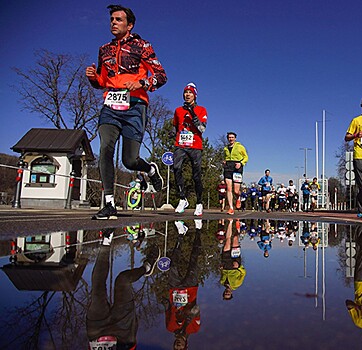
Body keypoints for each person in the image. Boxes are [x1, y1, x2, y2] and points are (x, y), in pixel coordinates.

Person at [86, 5, 167, 219]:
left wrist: (141, 82)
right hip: (110, 106)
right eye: (112, 19)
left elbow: (161, 75)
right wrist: (93, 77)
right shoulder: (104, 50)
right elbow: (102, 81)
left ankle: (150, 170)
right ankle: (109, 204)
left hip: (135, 106)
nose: (113, 22)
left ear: (129, 25)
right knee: (105, 148)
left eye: (118, 20)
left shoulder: (142, 46)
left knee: (130, 161)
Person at [87, 229, 160, 349]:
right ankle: (147, 267)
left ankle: (106, 242)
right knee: (123, 280)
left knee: (97, 290)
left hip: (97, 333)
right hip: (123, 336)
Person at [164, 220, 203, 349]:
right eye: (180, 348)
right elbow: (196, 309)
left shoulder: (170, 328)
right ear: (186, 345)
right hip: (190, 289)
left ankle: (181, 235)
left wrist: (164, 302)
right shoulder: (194, 329)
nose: (178, 345)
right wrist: (186, 324)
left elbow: (168, 309)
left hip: (174, 289)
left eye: (175, 347)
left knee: (173, 264)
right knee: (193, 259)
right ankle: (198, 231)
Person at [171, 83, 208, 216]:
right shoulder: (178, 110)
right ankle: (182, 199)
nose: (187, 95)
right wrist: (172, 133)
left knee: (196, 175)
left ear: (195, 95)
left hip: (195, 146)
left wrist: (192, 112)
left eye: (190, 93)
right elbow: (175, 125)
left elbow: (202, 129)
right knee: (176, 168)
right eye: (185, 92)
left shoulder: (202, 110)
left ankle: (199, 203)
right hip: (180, 144)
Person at [223, 132, 249, 215]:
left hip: (237, 167)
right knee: (228, 188)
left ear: (235, 138)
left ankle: (239, 197)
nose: (231, 139)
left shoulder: (240, 147)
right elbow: (225, 157)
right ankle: (231, 208)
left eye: (232, 137)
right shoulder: (225, 148)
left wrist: (241, 163)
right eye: (229, 137)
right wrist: (224, 162)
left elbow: (246, 157)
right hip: (228, 167)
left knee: (236, 190)